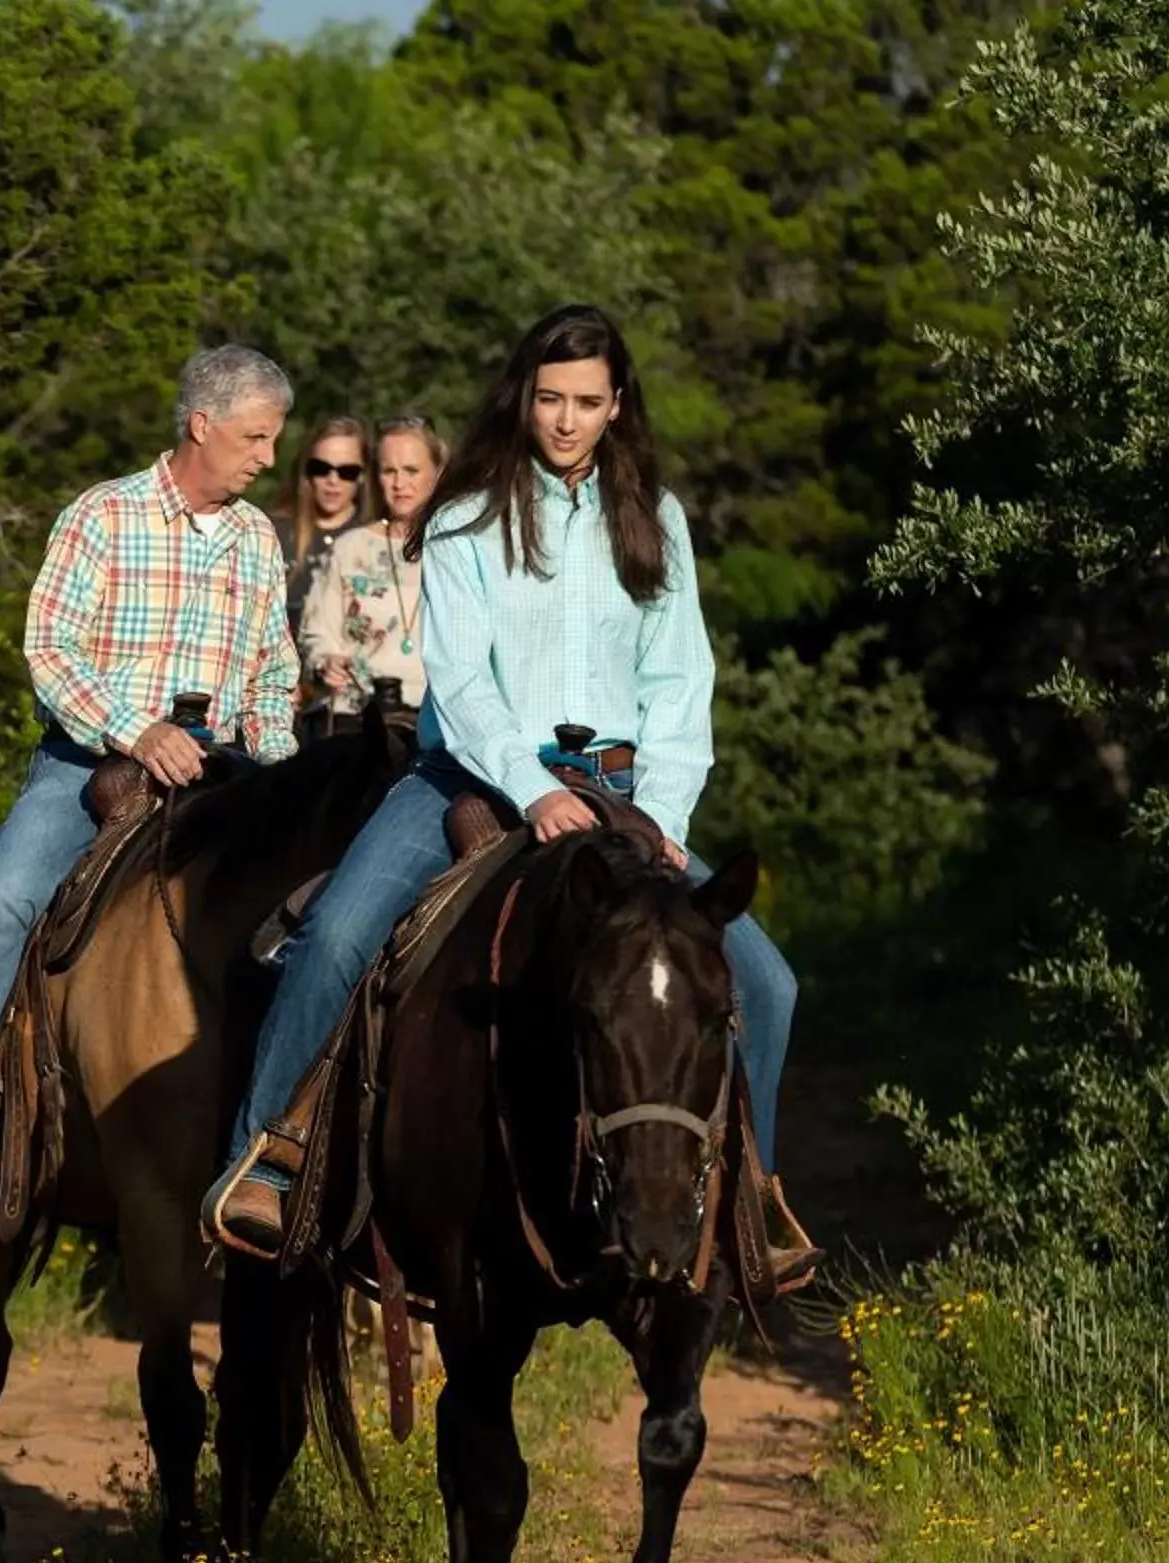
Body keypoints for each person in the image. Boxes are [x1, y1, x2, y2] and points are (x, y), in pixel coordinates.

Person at [207, 306, 805, 1276]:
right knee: (336, 937)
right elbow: (466, 680)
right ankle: (268, 1157)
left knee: (768, 983)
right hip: (470, 775)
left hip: (622, 792)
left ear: (617, 406)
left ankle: (749, 1201)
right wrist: (529, 788)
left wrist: (662, 816)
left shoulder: (655, 517)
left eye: (585, 402)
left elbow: (680, 684)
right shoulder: (467, 512)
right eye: (549, 399)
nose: (565, 420)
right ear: (523, 398)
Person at [0, 345, 306, 1194]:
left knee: (308, 903)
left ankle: (284, 1136)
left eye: (273, 441)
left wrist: (280, 773)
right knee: (11, 895)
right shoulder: (102, 516)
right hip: (87, 761)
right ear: (201, 425)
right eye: (255, 438)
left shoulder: (255, 538)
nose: (267, 458)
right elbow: (50, 651)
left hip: (228, 773)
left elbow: (276, 674)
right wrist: (138, 733)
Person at [300, 414, 444, 718]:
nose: (399, 483)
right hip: (356, 714)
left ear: (437, 472)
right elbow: (317, 632)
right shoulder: (350, 548)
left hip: (435, 717)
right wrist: (326, 661)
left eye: (411, 470)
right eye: (388, 471)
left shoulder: (457, 548)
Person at [276, 416, 370, 654]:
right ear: (307, 471)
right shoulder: (272, 532)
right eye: (321, 468)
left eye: (347, 471)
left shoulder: (373, 541)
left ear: (362, 476)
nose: (332, 481)